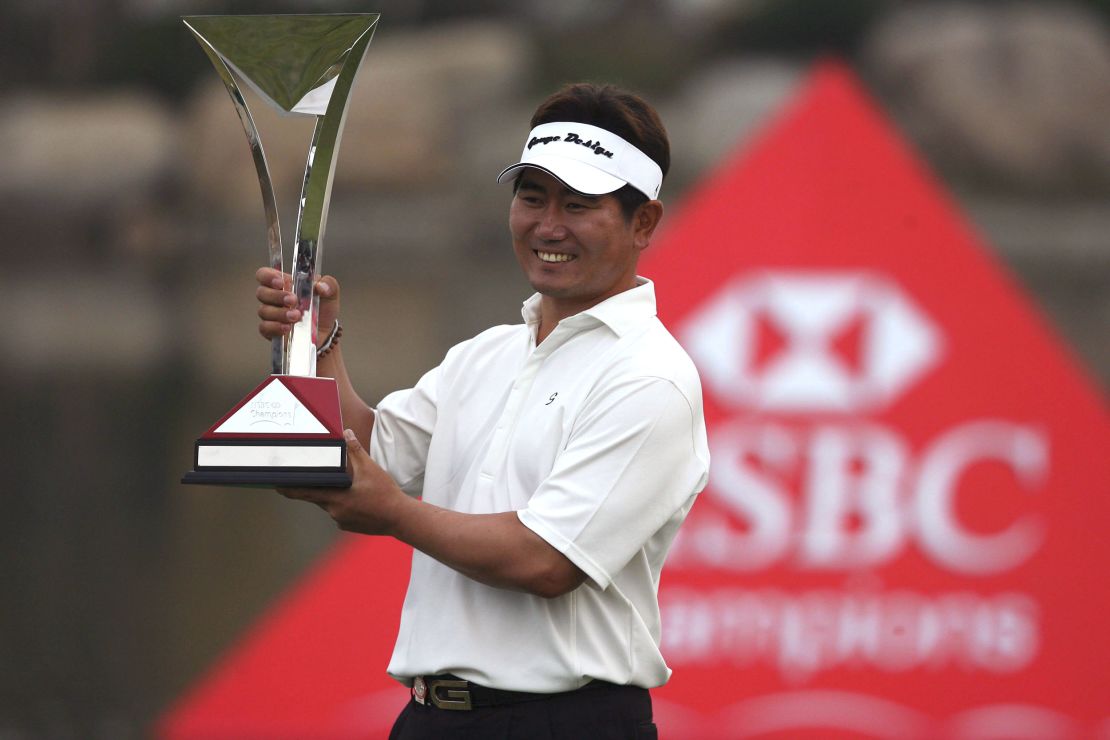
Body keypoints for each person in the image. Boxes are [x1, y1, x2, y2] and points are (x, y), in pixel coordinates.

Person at [255, 83, 709, 739]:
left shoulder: (650, 377)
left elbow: (546, 562)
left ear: (644, 223)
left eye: (579, 205)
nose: (548, 225)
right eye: (532, 197)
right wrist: (316, 343)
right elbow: (370, 453)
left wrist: (393, 513)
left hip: (568, 723)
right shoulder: (488, 353)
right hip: (430, 720)